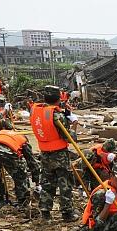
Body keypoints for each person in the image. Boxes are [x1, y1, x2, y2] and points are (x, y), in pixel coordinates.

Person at [31, 85, 77, 221]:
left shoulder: (36, 110)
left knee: (47, 183)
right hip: (60, 155)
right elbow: (69, 136)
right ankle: (67, 213)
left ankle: (45, 211)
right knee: (65, 183)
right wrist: (74, 122)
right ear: (59, 98)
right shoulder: (57, 115)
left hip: (45, 153)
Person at [0, 127, 41, 208]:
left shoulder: (0, 133)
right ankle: (22, 201)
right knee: (20, 176)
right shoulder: (23, 141)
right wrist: (36, 181)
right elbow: (32, 162)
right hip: (8, 153)